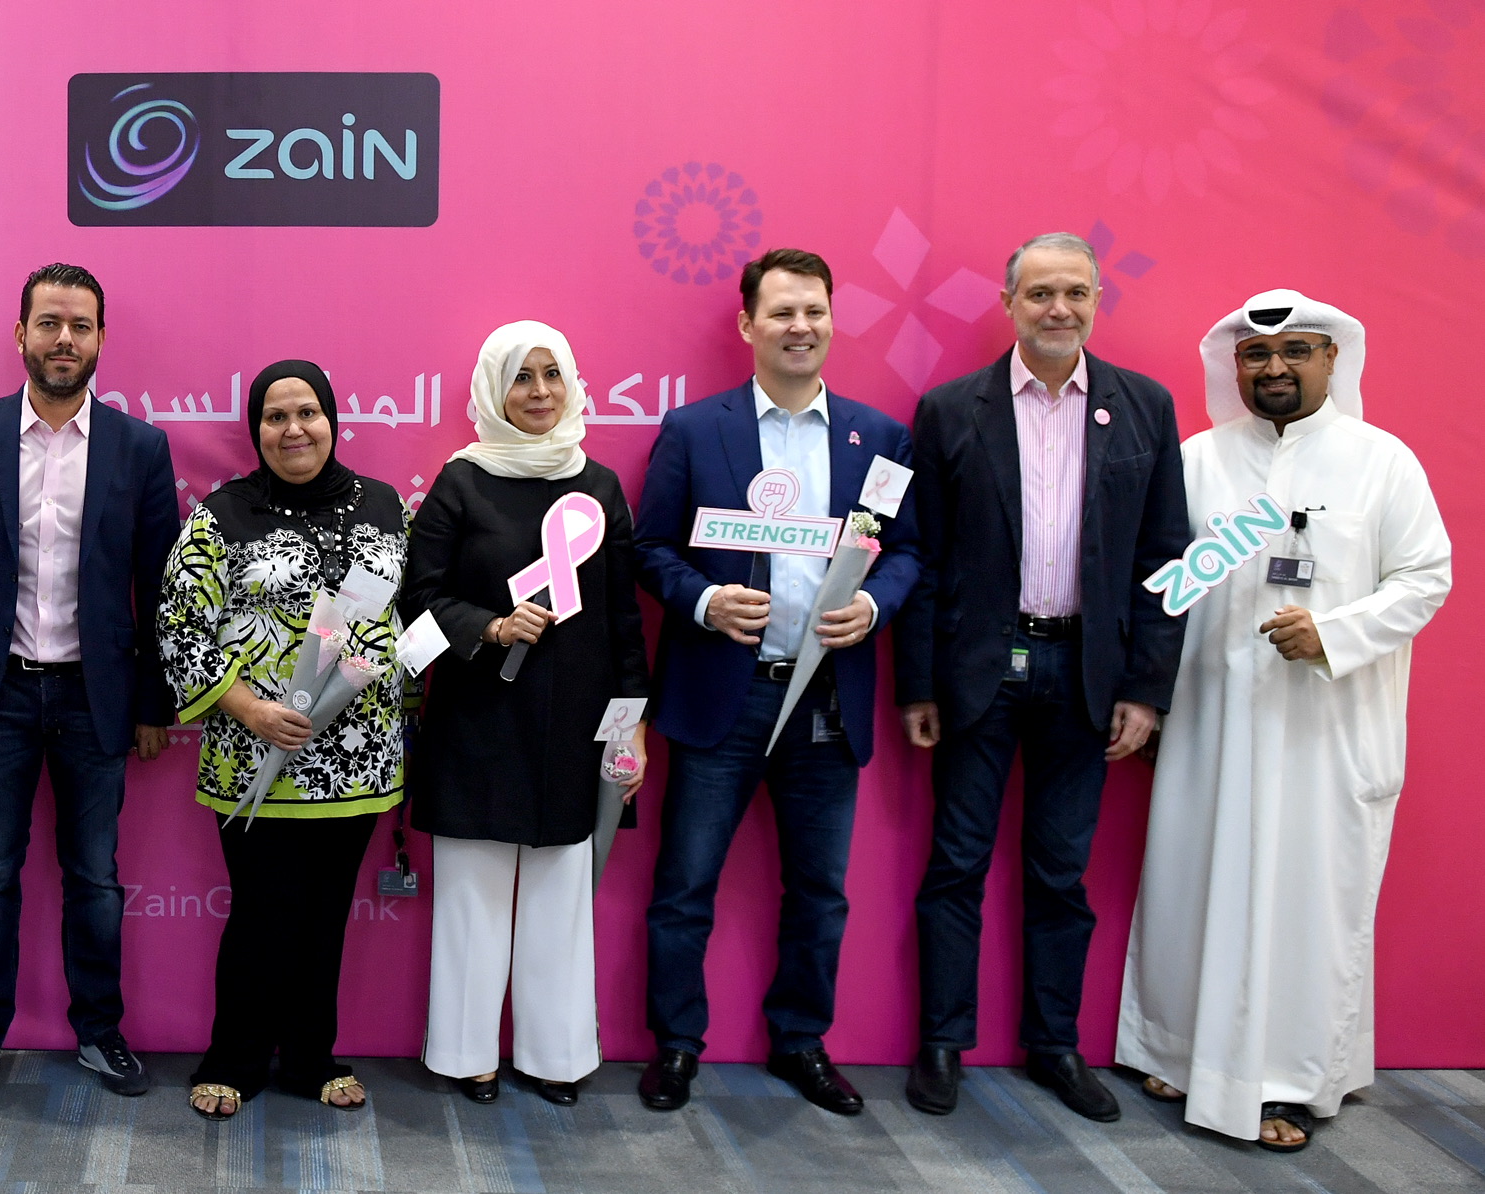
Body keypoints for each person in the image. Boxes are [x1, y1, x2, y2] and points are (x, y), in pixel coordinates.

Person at [1117, 290, 1451, 1153]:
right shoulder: (1197, 460)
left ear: (1331, 359)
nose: (1273, 368)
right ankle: (1180, 1052)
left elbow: (1424, 577)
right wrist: (1147, 697)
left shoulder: (1381, 462)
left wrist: (1332, 633)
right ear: (1233, 367)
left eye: (1295, 351)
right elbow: (1156, 585)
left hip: (1323, 732)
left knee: (1307, 904)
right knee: (1194, 883)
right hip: (1211, 726)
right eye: (1255, 355)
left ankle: (1292, 1079)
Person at [891, 233, 1191, 1121]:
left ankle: (1054, 1045)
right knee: (955, 864)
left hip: (1088, 674)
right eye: (1039, 294)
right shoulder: (950, 409)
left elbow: (1164, 559)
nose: (1057, 309)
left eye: (1074, 293)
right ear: (1008, 303)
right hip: (976, 671)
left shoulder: (1144, 407)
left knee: (1061, 871)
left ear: (1096, 299)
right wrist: (917, 684)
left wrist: (1146, 689)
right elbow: (920, 556)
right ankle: (941, 1042)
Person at [634, 249, 921, 1116]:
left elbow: (905, 552)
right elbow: (650, 549)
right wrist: (703, 601)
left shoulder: (878, 438)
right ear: (747, 325)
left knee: (820, 893)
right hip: (723, 693)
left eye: (814, 311)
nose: (801, 327)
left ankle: (800, 1041)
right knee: (686, 886)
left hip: (826, 698)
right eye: (783, 312)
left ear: (832, 319)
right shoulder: (695, 430)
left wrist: (872, 606)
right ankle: (675, 1046)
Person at [0, 263, 180, 1104]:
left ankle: (100, 1034)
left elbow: (158, 586)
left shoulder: (139, 448)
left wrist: (152, 703)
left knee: (95, 876)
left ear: (100, 338)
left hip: (95, 695)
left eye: (79, 325)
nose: (63, 339)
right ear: (21, 335)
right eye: (49, 323)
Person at [398, 323, 650, 1107]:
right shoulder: (461, 481)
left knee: (560, 901)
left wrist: (629, 730)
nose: (539, 392)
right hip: (477, 720)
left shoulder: (598, 486)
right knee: (470, 901)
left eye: (551, 374)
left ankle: (555, 1056)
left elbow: (623, 622)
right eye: (520, 377)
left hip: (573, 728)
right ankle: (464, 1054)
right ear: (492, 389)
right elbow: (418, 600)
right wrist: (491, 628)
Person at [159, 360, 408, 1120]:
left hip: (360, 760)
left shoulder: (385, 506)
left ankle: (310, 1059)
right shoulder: (222, 515)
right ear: (256, 429)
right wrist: (250, 709)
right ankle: (233, 1059)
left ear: (331, 420)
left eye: (307, 413)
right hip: (256, 760)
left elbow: (406, 611)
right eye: (275, 417)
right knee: (262, 915)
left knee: (325, 918)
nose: (293, 429)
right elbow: (179, 625)